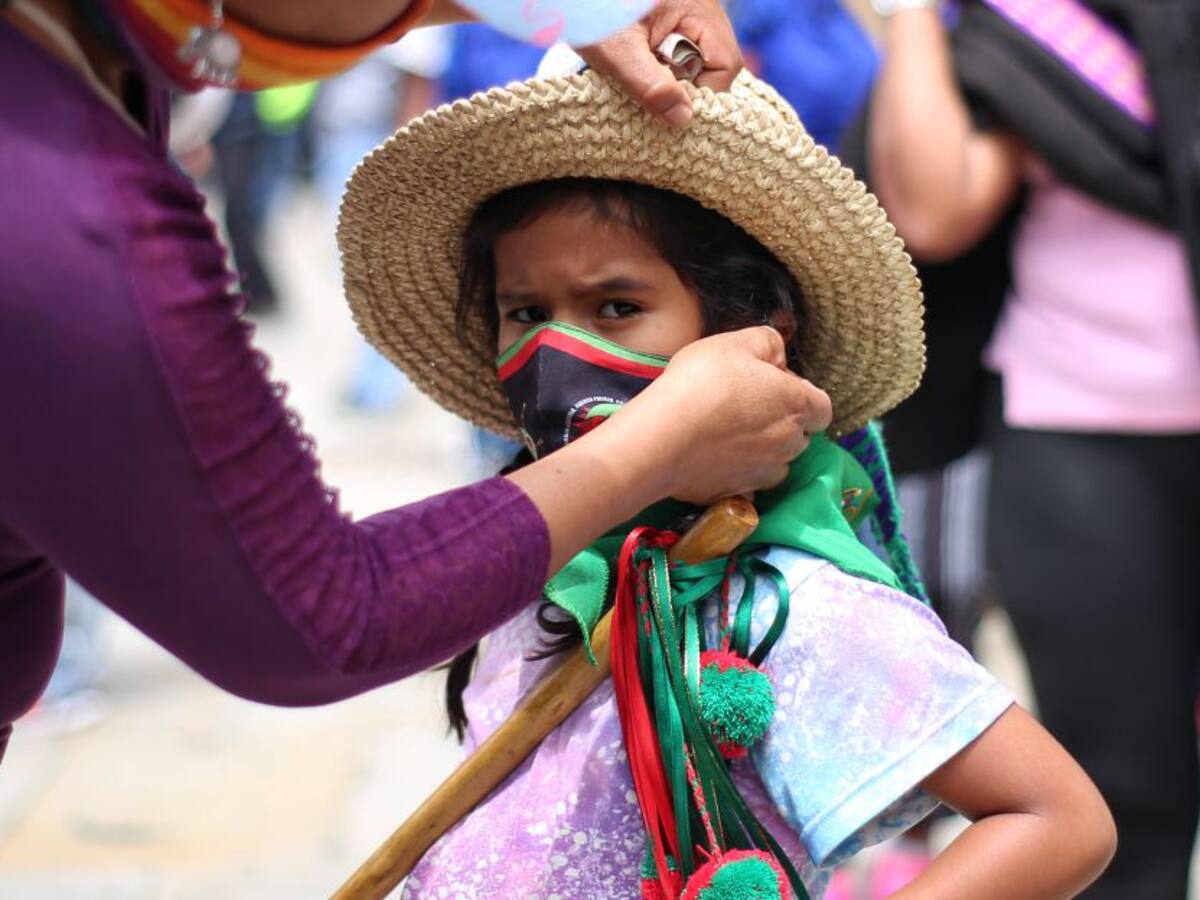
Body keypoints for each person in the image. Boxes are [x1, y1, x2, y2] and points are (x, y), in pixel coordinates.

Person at [336, 65, 1116, 899]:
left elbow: (1056, 819)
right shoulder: (542, 556)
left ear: (756, 335)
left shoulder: (788, 608)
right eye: (526, 313)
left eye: (614, 308)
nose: (558, 354)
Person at [0, 0, 832, 766]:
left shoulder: (817, 617)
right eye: (526, 310)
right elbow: (318, 617)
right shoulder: (61, 203)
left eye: (616, 305)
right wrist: (662, 442)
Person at [868, 1, 1200, 896]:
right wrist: (913, 18)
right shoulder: (1034, 28)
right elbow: (934, 211)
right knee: (1127, 801)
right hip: (1080, 447)